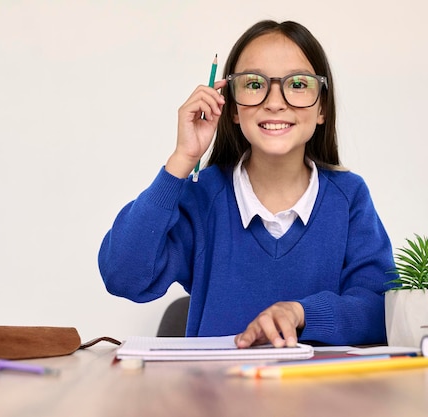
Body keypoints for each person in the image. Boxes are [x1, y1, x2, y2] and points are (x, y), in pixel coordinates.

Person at [98, 20, 395, 348]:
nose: (275, 101)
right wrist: (182, 159)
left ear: (322, 107)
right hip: (215, 396)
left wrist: (301, 313)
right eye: (254, 84)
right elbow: (123, 276)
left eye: (298, 84)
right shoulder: (203, 196)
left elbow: (379, 309)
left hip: (317, 396)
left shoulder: (349, 197)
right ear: (233, 109)